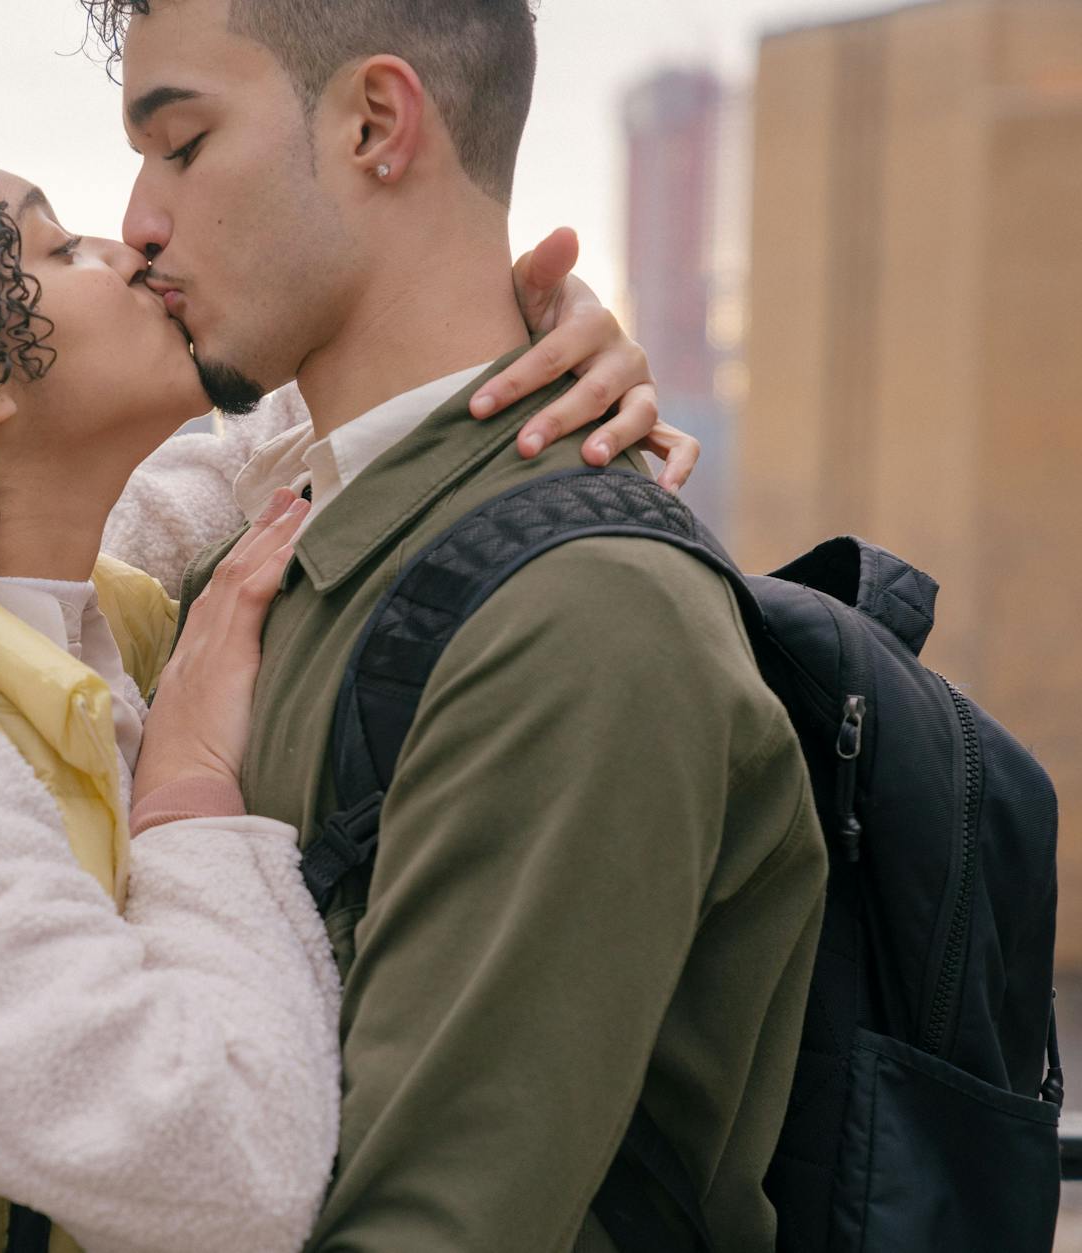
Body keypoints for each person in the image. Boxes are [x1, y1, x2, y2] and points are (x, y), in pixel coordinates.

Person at [0, 134, 690, 1252]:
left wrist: (537, 343)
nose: (128, 250)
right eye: (59, 250)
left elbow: (273, 458)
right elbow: (234, 1173)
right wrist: (189, 789)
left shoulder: (68, 604)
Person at [85, 2, 830, 1250]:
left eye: (182, 144)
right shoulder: (260, 551)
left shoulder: (584, 619)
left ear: (378, 122)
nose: (137, 222)